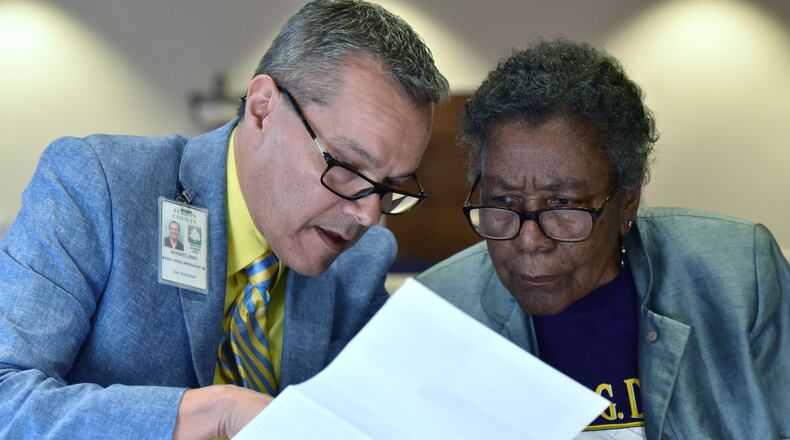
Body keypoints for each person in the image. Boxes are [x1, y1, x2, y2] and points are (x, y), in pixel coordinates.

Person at [0, 1, 448, 438]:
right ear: (262, 108)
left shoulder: (360, 261)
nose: (368, 214)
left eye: (390, 186)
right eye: (348, 168)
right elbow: (6, 398)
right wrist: (213, 411)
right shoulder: (99, 186)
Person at [417, 38, 789, 439]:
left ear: (627, 201)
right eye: (504, 200)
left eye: (563, 204)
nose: (528, 241)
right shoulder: (438, 312)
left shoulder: (738, 276)